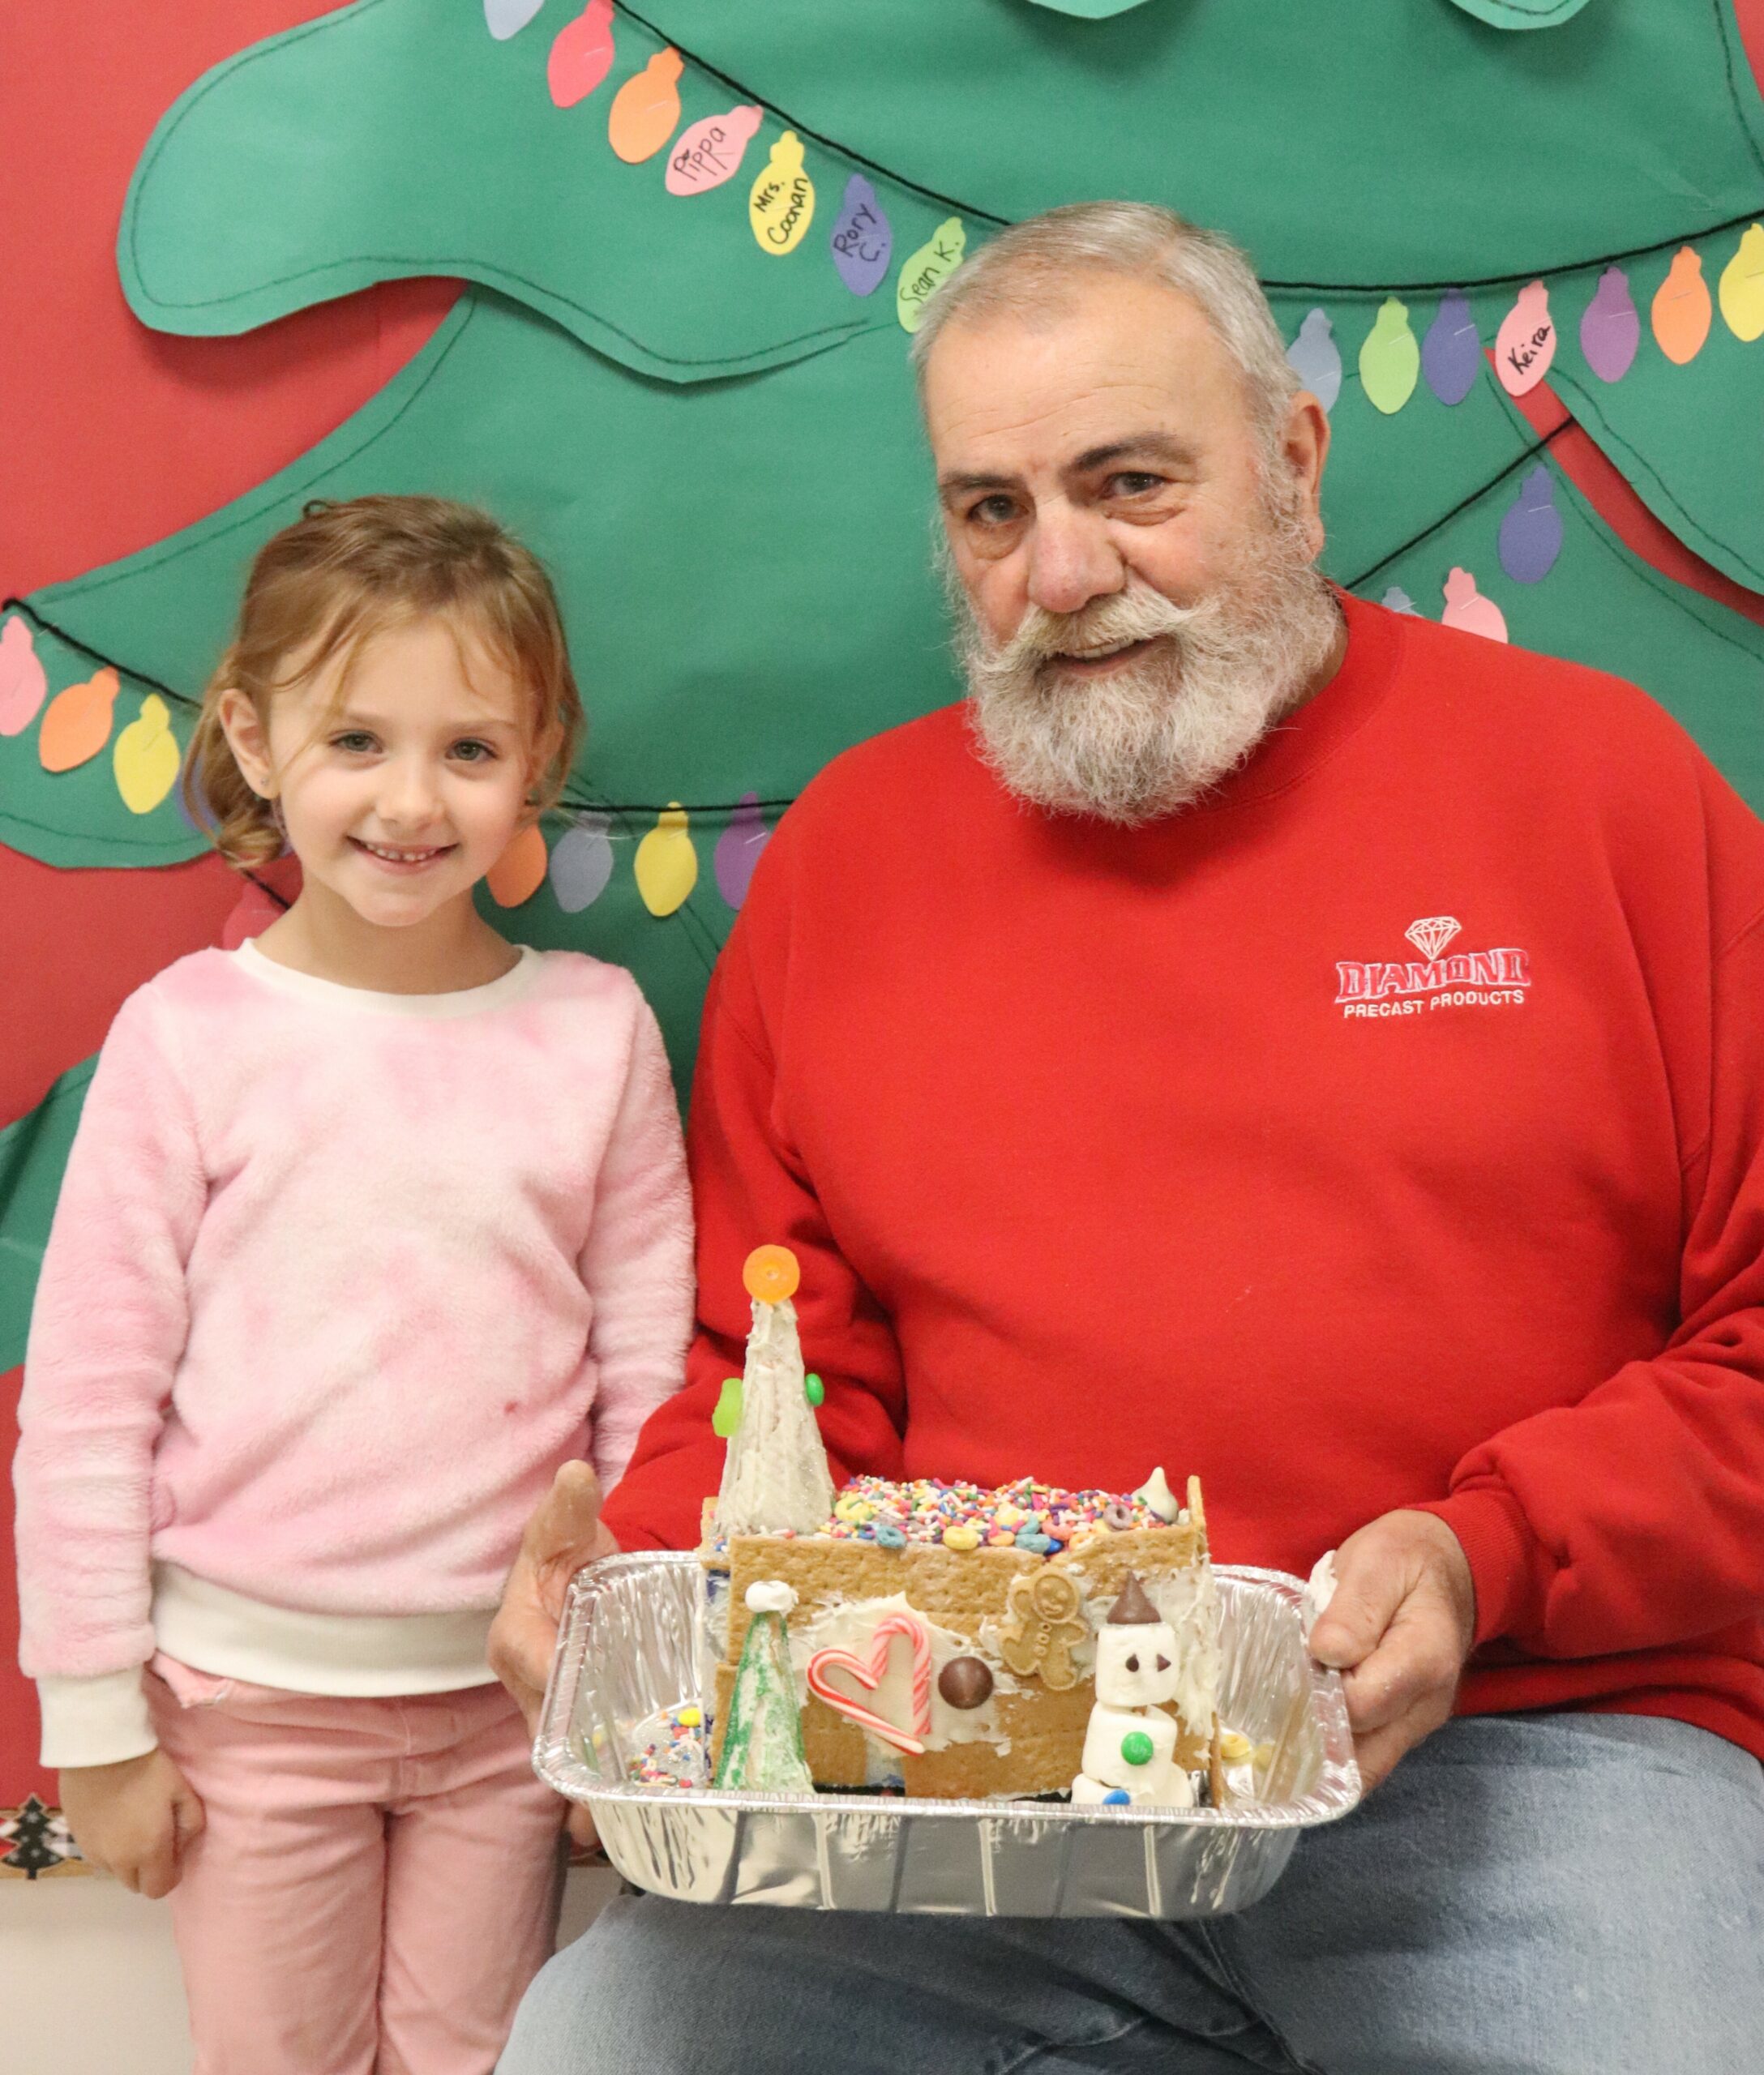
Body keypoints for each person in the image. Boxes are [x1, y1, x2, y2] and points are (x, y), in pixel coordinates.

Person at [494, 206, 1764, 2072]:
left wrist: (1488, 1545)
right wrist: (639, 1586)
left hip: (1530, 1745)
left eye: (1128, 481)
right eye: (991, 512)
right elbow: (784, 1377)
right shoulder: (850, 861)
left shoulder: (1603, 790)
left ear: (1294, 465)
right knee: (595, 2043)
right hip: (970, 1782)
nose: (1063, 571)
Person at [13, 495, 695, 2075]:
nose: (410, 799)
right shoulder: (187, 1036)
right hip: (247, 1709)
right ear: (253, 738)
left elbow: (650, 1389)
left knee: (482, 2055)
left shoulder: (594, 1032)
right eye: (357, 740)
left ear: (538, 753)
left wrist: (630, 1698)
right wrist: (96, 1730)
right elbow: (90, 1409)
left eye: (467, 748)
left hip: (507, 1711)